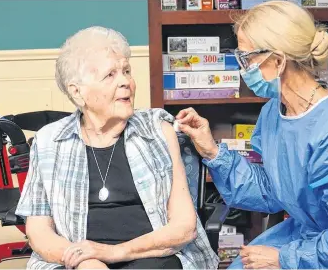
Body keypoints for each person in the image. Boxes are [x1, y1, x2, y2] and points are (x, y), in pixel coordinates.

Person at [15, 26, 219, 270]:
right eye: (110, 75)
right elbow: (38, 232)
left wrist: (112, 253)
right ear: (77, 92)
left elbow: (184, 227)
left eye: (126, 71)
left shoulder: (157, 131)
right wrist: (86, 262)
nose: (126, 82)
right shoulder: (49, 141)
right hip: (76, 261)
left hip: (149, 256)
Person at [175, 1, 328, 269]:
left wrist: (283, 259)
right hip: (303, 237)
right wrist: (212, 151)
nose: (243, 70)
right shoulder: (274, 113)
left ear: (277, 60)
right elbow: (269, 191)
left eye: (246, 58)